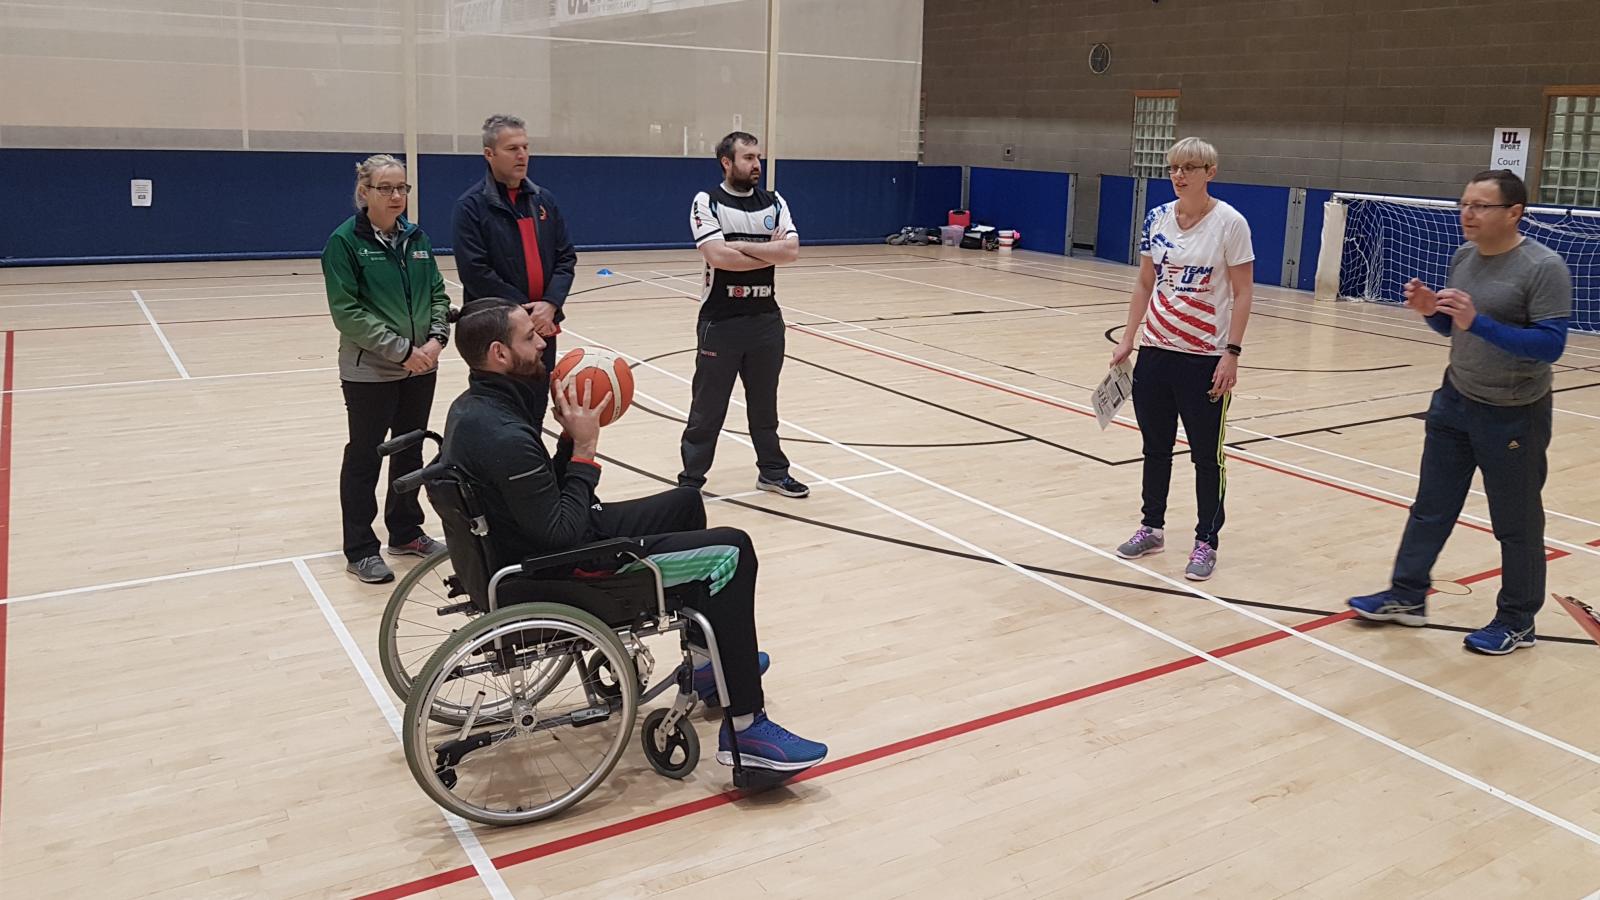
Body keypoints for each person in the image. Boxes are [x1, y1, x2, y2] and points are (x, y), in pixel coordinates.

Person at [439, 297, 827, 773]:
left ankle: (708, 664)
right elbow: (561, 532)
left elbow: (542, 503)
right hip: (563, 568)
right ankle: (747, 731)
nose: (543, 342)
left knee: (686, 502)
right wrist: (584, 448)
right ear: (499, 354)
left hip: (533, 546)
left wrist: (565, 442)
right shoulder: (503, 434)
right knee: (733, 549)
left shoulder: (476, 408)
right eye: (529, 337)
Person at [1349, 170, 1571, 656]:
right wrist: (1433, 310)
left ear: (1514, 213)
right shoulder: (1465, 256)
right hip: (1454, 401)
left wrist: (1479, 322)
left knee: (1516, 523)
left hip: (1514, 413)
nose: (1467, 213)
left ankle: (1518, 620)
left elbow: (1551, 346)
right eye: (1464, 203)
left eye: (1481, 206)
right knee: (1431, 506)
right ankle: (1407, 596)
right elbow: (1454, 331)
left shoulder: (1543, 267)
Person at [1109, 137, 1256, 581]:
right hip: (1156, 352)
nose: (1179, 175)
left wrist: (1231, 353)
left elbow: (1243, 291)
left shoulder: (1230, 223)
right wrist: (1129, 338)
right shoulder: (1156, 218)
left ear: (1210, 172)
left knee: (1206, 457)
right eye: (1174, 167)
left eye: (1189, 167)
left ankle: (1206, 541)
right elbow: (1144, 283)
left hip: (1203, 358)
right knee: (1154, 448)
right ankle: (1151, 527)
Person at [322, 154, 450, 584]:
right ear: (365, 192)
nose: (397, 196)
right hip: (370, 373)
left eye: (402, 188)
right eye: (386, 188)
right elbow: (348, 313)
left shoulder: (417, 238)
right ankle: (360, 549)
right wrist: (402, 352)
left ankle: (406, 532)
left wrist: (434, 343)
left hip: (421, 366)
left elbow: (437, 293)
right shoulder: (344, 243)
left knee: (410, 448)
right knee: (365, 455)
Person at [678, 131, 809, 499]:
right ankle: (691, 480)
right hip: (720, 322)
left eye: (758, 157)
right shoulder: (708, 201)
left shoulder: (774, 201)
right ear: (727, 162)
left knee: (764, 406)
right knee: (708, 409)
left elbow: (792, 252)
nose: (756, 165)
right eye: (748, 158)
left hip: (766, 321)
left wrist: (738, 246)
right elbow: (717, 257)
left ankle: (772, 472)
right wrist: (766, 250)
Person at [451, 113, 577, 426]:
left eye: (525, 147)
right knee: (499, 414)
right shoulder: (470, 207)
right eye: (512, 149)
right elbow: (476, 272)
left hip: (542, 327)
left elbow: (565, 257)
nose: (522, 155)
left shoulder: (543, 200)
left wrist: (550, 304)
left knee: (535, 409)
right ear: (489, 154)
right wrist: (525, 315)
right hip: (498, 331)